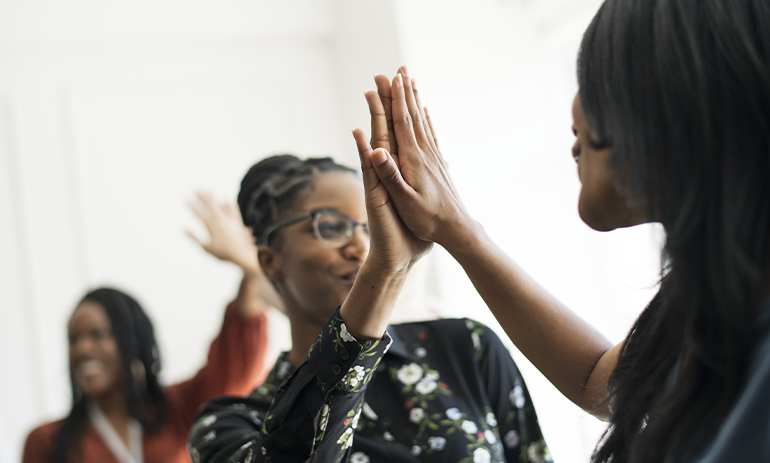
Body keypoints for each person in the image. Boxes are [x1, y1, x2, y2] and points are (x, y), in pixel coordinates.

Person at [358, 0, 770, 460]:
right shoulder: (713, 292)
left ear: (668, 103)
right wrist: (456, 230)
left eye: (593, 84)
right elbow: (603, 383)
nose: (574, 111)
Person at [188, 154, 551, 462]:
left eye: (372, 225)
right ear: (270, 263)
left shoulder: (467, 346)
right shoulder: (231, 424)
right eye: (331, 227)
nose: (361, 247)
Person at [23, 192, 274, 463]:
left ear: (132, 340)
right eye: (73, 339)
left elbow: (233, 365)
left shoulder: (175, 409)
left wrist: (249, 268)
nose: (82, 348)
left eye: (98, 335)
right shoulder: (46, 442)